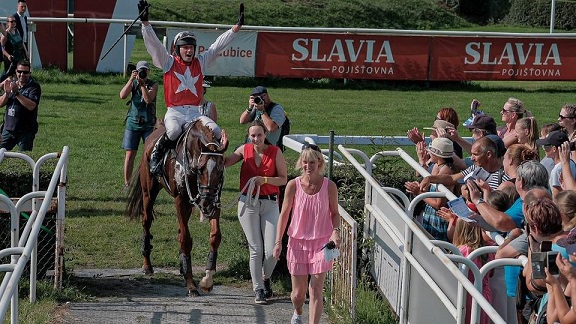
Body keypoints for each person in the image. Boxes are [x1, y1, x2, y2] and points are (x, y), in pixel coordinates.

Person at [137, 0, 244, 175]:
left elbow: (218, 46)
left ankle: (212, 165)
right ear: (177, 49)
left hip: (195, 113)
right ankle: (157, 156)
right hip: (175, 112)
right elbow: (155, 45)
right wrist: (145, 23)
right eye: (185, 48)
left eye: (191, 48)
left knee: (215, 130)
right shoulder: (168, 62)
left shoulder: (200, 62)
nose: (189, 51)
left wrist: (236, 28)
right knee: (172, 131)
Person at [273, 143, 341, 324]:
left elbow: (335, 213)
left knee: (316, 288)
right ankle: (298, 311)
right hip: (297, 243)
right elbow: (284, 214)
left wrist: (336, 232)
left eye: (312, 162)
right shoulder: (292, 185)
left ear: (319, 163)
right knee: (298, 294)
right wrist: (278, 242)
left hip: (322, 243)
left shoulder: (329, 186)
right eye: (305, 162)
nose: (308, 166)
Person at [224, 120, 288, 305]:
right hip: (248, 203)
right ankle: (258, 289)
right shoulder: (245, 149)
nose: (256, 138)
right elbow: (225, 163)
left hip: (270, 204)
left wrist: (265, 179)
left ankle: (265, 277)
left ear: (265, 134)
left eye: (259, 135)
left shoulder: (275, 152)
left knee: (271, 252)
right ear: (248, 136)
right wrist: (221, 148)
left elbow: (283, 179)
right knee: (256, 249)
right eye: (252, 135)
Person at [405, 138, 460, 241]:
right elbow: (426, 187)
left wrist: (418, 192)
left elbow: (439, 204)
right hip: (431, 215)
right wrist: (418, 186)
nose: (429, 152)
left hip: (439, 218)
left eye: (431, 150)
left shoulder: (446, 170)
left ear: (437, 154)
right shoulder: (436, 166)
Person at [119, 60, 158, 187]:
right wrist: (131, 80)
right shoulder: (134, 82)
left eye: (145, 70)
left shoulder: (153, 84)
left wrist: (142, 85)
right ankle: (127, 183)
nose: (143, 73)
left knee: (149, 154)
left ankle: (148, 182)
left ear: (149, 71)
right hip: (133, 122)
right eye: (140, 70)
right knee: (130, 154)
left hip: (148, 123)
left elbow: (148, 99)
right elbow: (122, 95)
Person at [452, 219, 493, 324]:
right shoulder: (487, 250)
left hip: (465, 296)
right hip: (484, 294)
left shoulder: (461, 251)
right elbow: (492, 273)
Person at [0, 60, 40, 151]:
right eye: (20, 71)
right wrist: (6, 93)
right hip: (8, 129)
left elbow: (31, 106)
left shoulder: (34, 87)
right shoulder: (12, 84)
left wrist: (17, 93)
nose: (22, 74)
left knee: (24, 158)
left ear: (29, 73)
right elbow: (1, 104)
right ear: (16, 72)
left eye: (25, 72)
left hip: (25, 131)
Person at [536, 130, 576, 198]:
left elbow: (556, 197)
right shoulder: (571, 163)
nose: (543, 148)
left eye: (546, 146)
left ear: (554, 149)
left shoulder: (557, 170)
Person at [1, 15, 28, 82]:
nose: (13, 23)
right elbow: (1, 47)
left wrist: (26, 52)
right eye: (11, 21)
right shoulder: (6, 34)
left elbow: (21, 42)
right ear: (8, 23)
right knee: (8, 75)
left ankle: (15, 88)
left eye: (14, 21)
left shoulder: (16, 31)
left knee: (16, 74)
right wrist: (8, 56)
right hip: (11, 58)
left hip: (19, 56)